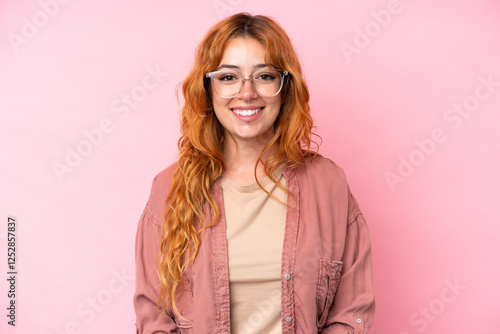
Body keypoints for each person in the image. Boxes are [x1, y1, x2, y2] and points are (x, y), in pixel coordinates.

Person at [133, 12, 375, 333]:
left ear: (285, 87)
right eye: (229, 77)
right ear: (208, 89)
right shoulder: (169, 189)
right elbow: (154, 316)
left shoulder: (328, 183)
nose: (247, 93)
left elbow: (352, 310)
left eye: (264, 76)